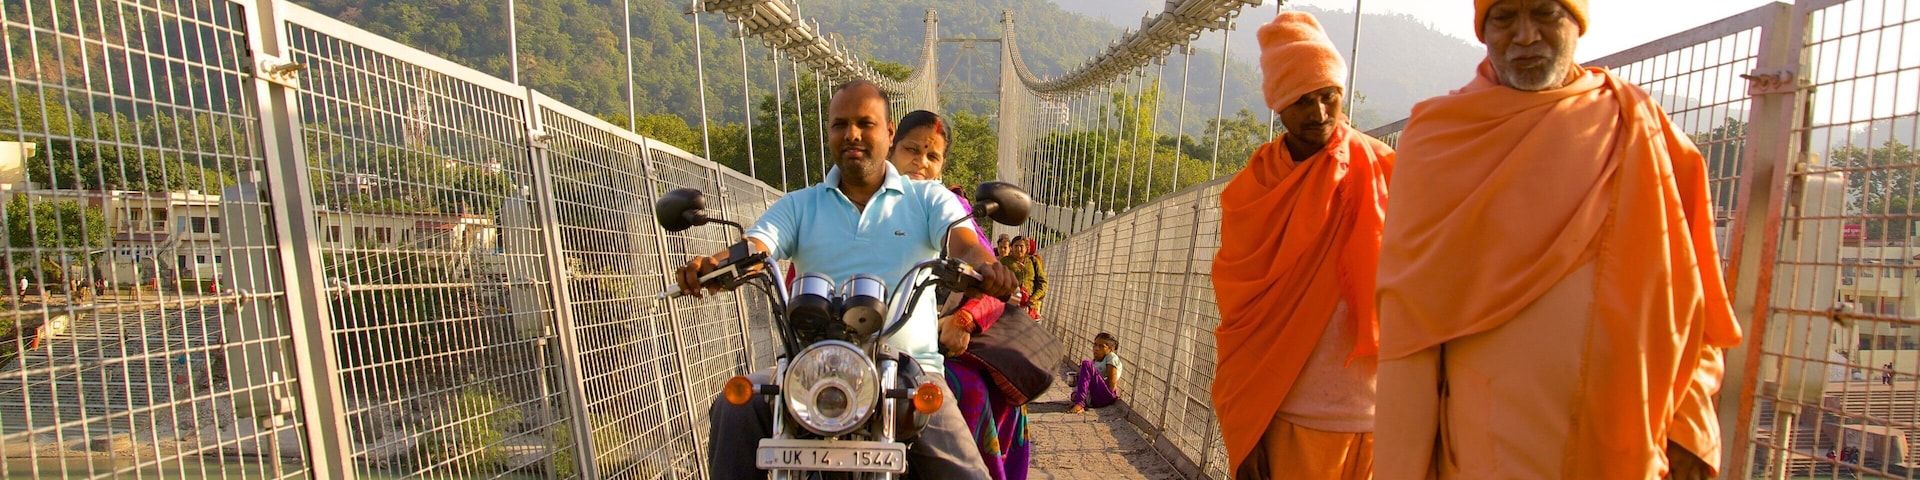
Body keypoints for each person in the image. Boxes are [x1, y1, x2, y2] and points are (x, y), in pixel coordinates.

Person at [1372, 1, 1743, 479]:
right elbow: (1409, 325)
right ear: (1483, 30)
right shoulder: (1442, 138)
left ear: (1577, 23)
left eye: (1545, 13)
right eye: (1505, 17)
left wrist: (1691, 428)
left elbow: (1692, 303)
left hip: (1632, 430)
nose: (1525, 36)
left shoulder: (1637, 125)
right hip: (1494, 440)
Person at [681, 80, 1014, 480]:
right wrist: (712, 266)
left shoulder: (928, 199)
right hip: (807, 375)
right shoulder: (799, 205)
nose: (851, 134)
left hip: (909, 376)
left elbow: (963, 242)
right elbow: (755, 246)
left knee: (964, 468)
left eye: (865, 123)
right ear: (829, 132)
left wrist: (985, 267)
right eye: (840, 124)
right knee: (736, 404)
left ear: (889, 134)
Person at [1207, 11, 1391, 480]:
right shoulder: (1253, 192)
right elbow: (1242, 320)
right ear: (1278, 105)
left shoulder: (1387, 169)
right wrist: (1247, 433)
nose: (1319, 114)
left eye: (1328, 96)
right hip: (1288, 415)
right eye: (1301, 100)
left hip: (1384, 417)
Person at [887, 109, 1035, 480]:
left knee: (970, 391)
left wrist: (963, 317)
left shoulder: (947, 207)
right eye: (911, 150)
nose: (920, 163)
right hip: (850, 339)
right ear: (890, 147)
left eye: (932, 156)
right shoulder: (847, 196)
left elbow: (979, 259)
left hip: (930, 348)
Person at [1069, 333, 1122, 413]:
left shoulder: (1111, 357)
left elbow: (1112, 386)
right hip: (1095, 396)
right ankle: (1082, 400)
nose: (1096, 348)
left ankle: (1080, 404)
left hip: (1105, 395)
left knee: (1086, 363)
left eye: (1102, 346)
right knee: (1074, 394)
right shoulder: (1096, 361)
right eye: (1095, 345)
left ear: (1110, 349)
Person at [1000, 236, 1046, 317]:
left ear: (1026, 248)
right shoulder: (1005, 261)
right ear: (1011, 248)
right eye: (1016, 246)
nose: (1018, 249)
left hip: (1030, 305)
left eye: (1021, 246)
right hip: (1011, 304)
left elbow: (1042, 282)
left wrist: (1034, 297)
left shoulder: (1033, 261)